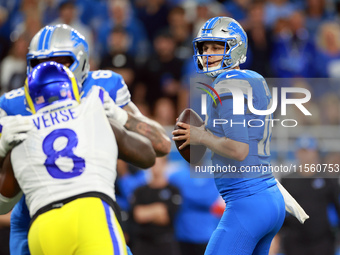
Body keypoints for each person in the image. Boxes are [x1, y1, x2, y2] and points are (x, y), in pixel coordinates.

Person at [0, 24, 170, 255]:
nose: (52, 70)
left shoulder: (101, 87)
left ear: (82, 61)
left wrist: (122, 115)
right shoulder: (12, 103)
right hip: (37, 208)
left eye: (61, 61)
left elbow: (161, 145)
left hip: (85, 201)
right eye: (41, 63)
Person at [172, 16, 286, 254]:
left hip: (247, 202)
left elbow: (238, 149)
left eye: (217, 47)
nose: (209, 54)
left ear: (236, 48)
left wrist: (201, 137)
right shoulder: (254, 78)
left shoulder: (226, 84)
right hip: (268, 196)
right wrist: (211, 131)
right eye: (205, 48)